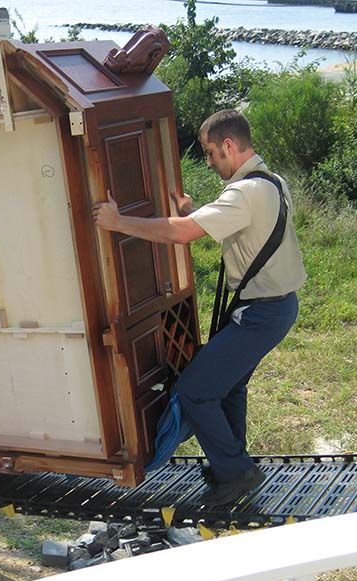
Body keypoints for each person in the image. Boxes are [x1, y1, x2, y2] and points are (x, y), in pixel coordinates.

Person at [92, 109, 306, 507]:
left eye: (210, 153)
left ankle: (236, 473)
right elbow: (234, 228)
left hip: (260, 314)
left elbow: (181, 234)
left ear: (229, 145)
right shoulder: (272, 182)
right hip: (276, 308)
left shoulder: (244, 192)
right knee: (228, 387)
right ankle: (233, 462)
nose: (208, 162)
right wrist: (192, 213)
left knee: (195, 391)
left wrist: (118, 222)